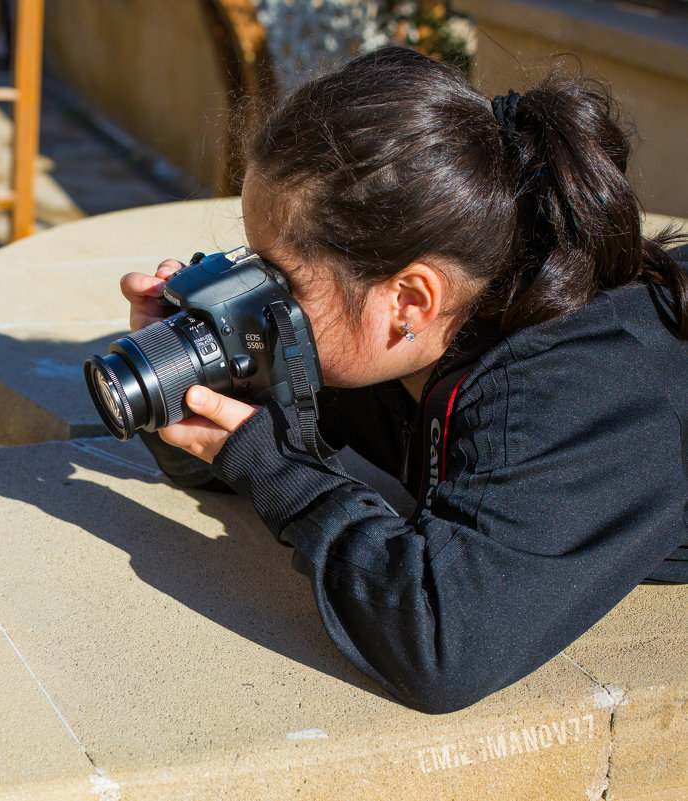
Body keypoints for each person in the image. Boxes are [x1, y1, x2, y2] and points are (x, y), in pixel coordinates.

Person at [121, 46, 688, 714]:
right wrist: (194, 369)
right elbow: (243, 455)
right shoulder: (415, 328)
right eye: (250, 262)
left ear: (410, 301)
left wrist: (286, 473)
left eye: (281, 279)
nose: (254, 294)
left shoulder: (574, 398)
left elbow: (441, 645)